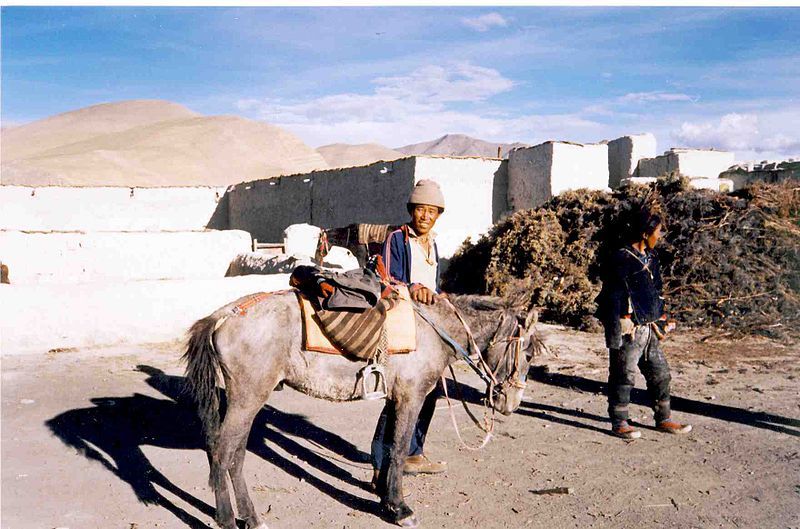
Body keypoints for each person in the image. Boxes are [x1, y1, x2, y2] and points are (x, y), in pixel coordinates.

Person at [370, 179, 447, 486]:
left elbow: (432, 282)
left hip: (428, 328)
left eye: (431, 211)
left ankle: (413, 453)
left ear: (438, 214)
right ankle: (379, 463)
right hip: (402, 323)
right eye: (419, 210)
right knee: (399, 396)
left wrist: (439, 295)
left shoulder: (434, 243)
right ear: (411, 211)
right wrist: (413, 288)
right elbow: (387, 280)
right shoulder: (397, 239)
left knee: (430, 390)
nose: (424, 216)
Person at [595, 207, 692, 440]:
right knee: (623, 375)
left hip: (650, 329)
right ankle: (619, 422)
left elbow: (656, 290)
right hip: (630, 329)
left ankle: (664, 419)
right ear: (644, 233)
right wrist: (620, 320)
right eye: (657, 232)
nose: (659, 237)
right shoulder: (621, 258)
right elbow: (612, 294)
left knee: (661, 373)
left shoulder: (653, 258)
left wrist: (662, 317)